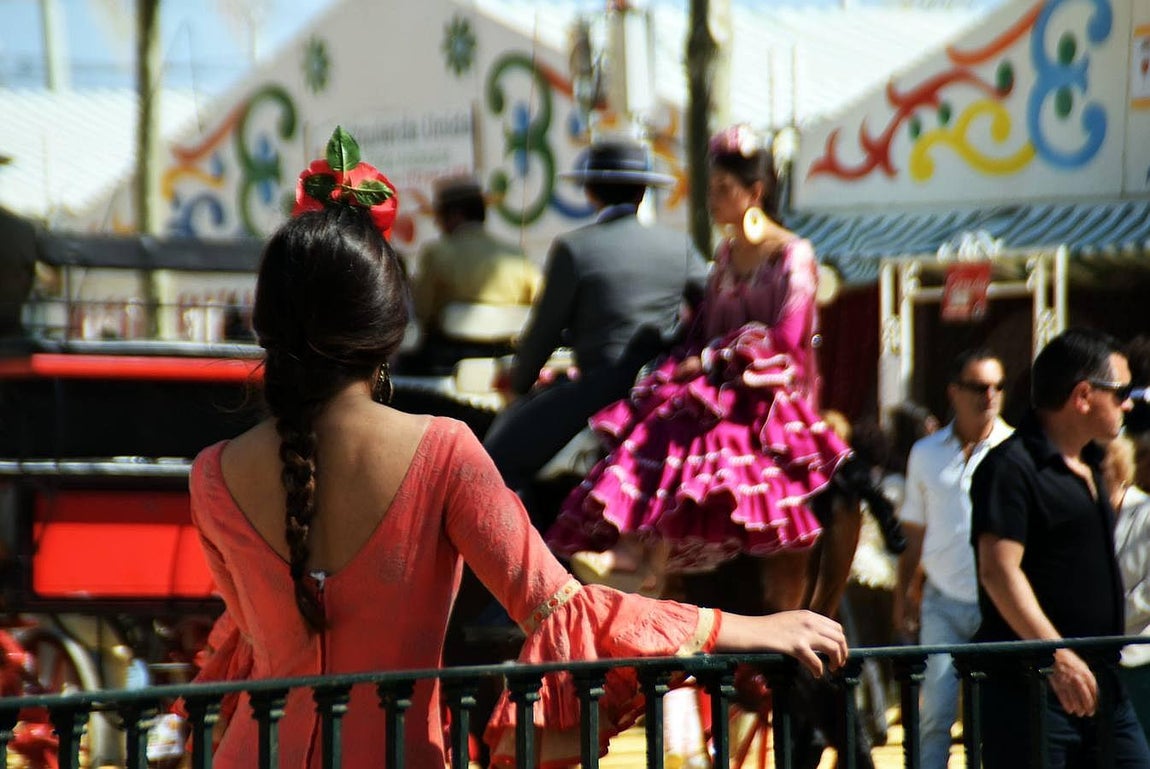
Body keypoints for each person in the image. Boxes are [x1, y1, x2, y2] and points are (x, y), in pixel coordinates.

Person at [184, 127, 848, 769]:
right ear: (388, 328)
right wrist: (750, 627)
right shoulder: (443, 450)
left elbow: (250, 654)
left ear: (268, 327)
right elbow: (565, 609)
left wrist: (525, 380)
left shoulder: (211, 474)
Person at [547, 123, 890, 577]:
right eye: (711, 189)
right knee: (656, 407)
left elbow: (786, 338)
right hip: (721, 380)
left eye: (723, 189)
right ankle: (635, 547)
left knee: (703, 428)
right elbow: (707, 325)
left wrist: (713, 358)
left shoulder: (794, 255)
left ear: (755, 192)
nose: (713, 199)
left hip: (773, 388)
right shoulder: (726, 255)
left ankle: (651, 556)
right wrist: (682, 356)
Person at [483, 138, 709, 529]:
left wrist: (519, 383)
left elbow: (543, 333)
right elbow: (710, 305)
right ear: (643, 192)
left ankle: (524, 558)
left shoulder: (575, 248)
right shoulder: (680, 246)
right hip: (663, 390)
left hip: (597, 394)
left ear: (590, 192)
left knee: (495, 460)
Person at [971, 327, 1150, 769]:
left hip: (1102, 683)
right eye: (1121, 392)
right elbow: (998, 571)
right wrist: (1056, 656)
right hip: (1033, 689)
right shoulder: (1010, 467)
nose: (1128, 403)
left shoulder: (1093, 463)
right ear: (1083, 395)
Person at [893, 349, 1013, 769]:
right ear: (954, 392)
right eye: (979, 387)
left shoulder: (1016, 450)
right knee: (934, 715)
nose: (990, 396)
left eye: (997, 386)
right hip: (941, 601)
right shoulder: (925, 453)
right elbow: (914, 532)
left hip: (1000, 605)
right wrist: (903, 595)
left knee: (995, 718)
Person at [406, 174, 540, 371]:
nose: (436, 224)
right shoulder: (515, 254)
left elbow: (422, 312)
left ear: (455, 215)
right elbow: (540, 301)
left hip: (449, 359)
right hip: (508, 358)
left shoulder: (436, 253)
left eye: (439, 216)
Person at [1104, 435, 1150, 744]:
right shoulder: (1086, 517)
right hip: (1102, 660)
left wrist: (1108, 620)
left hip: (1141, 658)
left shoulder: (1145, 512)